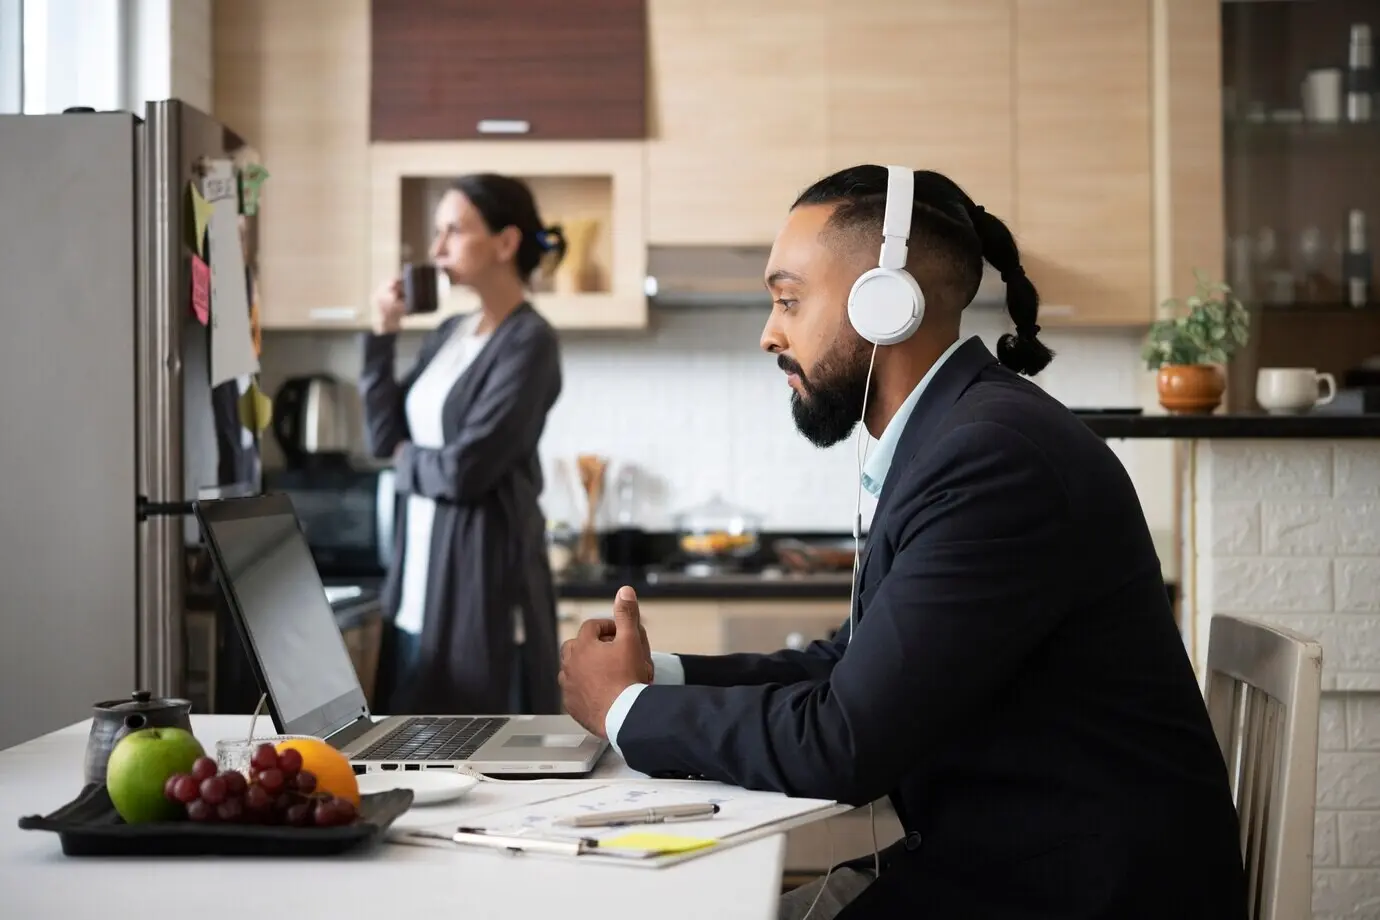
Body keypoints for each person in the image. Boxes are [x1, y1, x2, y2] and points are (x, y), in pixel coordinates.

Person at [558, 165, 1247, 920]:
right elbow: (847, 668)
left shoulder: (992, 458)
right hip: (1009, 866)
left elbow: (843, 743)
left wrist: (624, 708)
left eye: (789, 300)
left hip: (1075, 895)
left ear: (884, 305)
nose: (769, 333)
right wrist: (658, 675)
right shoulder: (960, 436)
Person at [360, 173, 565, 717]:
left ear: (505, 242)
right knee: (411, 748)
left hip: (480, 587)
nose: (436, 249)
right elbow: (383, 437)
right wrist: (383, 330)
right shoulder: (448, 333)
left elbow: (464, 473)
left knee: (480, 755)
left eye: (453, 230)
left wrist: (405, 464)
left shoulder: (530, 343)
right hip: (415, 586)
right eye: (437, 231)